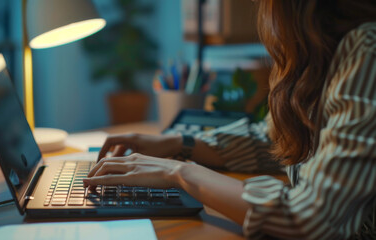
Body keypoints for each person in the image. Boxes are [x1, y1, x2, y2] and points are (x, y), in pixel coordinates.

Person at [84, 0, 376, 239]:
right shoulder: (327, 52)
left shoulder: (366, 51)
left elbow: (308, 218)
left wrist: (179, 172)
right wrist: (178, 143)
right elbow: (274, 140)